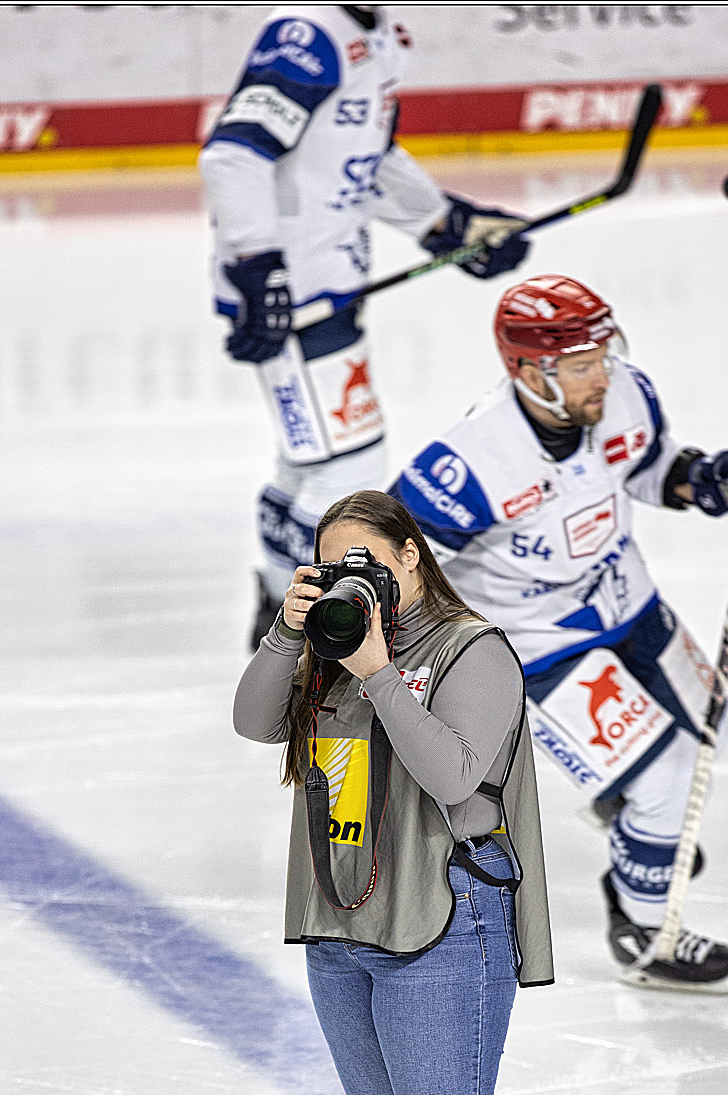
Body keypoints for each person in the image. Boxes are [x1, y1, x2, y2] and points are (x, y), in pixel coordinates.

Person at [233, 489, 553, 1095]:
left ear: (411, 558)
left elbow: (456, 777)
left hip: (447, 928)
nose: (352, 582)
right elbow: (253, 721)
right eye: (332, 567)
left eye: (366, 562)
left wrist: (375, 671)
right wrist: (293, 638)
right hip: (345, 926)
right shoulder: (325, 645)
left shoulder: (473, 652)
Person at [388, 273, 728, 994]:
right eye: (581, 366)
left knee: (708, 738)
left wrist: (712, 482)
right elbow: (397, 554)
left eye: (602, 355)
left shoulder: (624, 390)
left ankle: (628, 810)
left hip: (623, 596)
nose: (601, 375)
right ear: (528, 370)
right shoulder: (473, 459)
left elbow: (649, 466)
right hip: (533, 639)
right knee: (666, 775)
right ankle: (646, 930)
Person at [200, 5, 531, 648]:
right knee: (346, 468)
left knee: (314, 458)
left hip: (324, 286)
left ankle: (280, 610)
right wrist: (257, 267)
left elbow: (364, 162)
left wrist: (445, 224)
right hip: (295, 297)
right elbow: (234, 156)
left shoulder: (379, 36)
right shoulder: (307, 36)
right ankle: (306, 627)